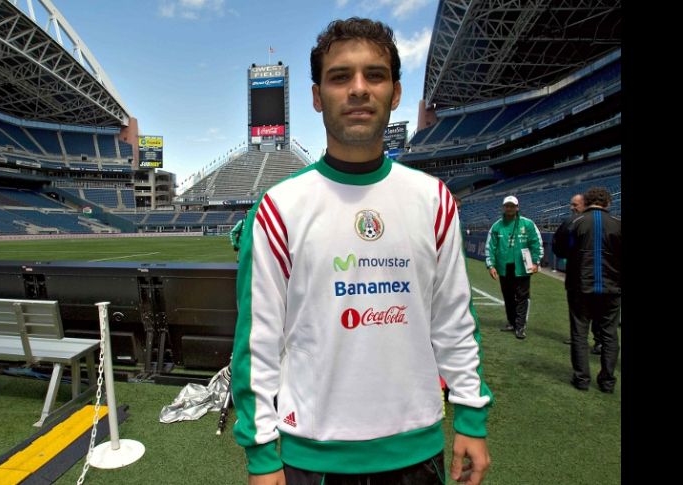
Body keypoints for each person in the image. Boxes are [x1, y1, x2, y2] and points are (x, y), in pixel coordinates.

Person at [231, 17, 492, 485]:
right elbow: (258, 344)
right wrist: (262, 455)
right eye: (339, 77)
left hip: (418, 450)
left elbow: (453, 319)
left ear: (394, 92)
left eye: (374, 74)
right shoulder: (278, 208)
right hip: (310, 457)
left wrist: (471, 414)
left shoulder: (434, 200)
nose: (358, 89)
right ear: (316, 97)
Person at [552, 187, 621, 393]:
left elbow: (559, 249)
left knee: (579, 332)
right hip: (611, 288)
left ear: (586, 201)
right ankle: (607, 381)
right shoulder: (618, 225)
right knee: (609, 334)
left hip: (579, 286)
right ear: (608, 203)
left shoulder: (573, 223)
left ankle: (582, 379)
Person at [484, 195, 543, 340]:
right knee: (508, 296)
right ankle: (511, 322)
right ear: (503, 207)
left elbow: (536, 243)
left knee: (522, 297)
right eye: (507, 206)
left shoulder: (528, 224)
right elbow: (490, 247)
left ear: (517, 207)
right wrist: (491, 265)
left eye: (512, 206)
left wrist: (536, 262)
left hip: (523, 267)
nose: (509, 208)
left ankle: (520, 326)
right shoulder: (497, 226)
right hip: (504, 267)